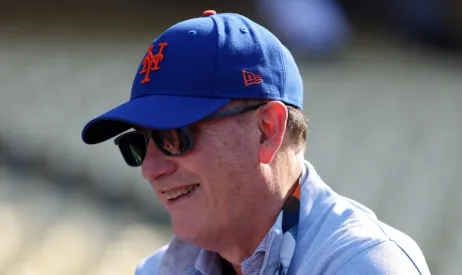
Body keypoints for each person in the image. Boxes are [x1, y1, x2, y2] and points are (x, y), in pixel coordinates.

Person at [81, 10, 431, 275]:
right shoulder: (159, 270)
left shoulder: (362, 265)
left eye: (172, 137)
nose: (150, 169)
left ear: (267, 130)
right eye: (140, 144)